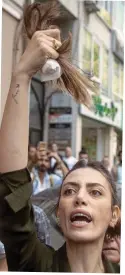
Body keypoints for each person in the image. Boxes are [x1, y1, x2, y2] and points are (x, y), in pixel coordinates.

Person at [0, 27, 120, 273]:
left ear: (114, 215)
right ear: (58, 213)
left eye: (96, 193)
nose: (80, 197)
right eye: (69, 191)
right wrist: (21, 74)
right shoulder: (36, 263)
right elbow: (11, 186)